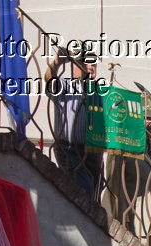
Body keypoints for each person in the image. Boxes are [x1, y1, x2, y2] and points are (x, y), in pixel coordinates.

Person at [104, 83, 151, 246]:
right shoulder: (124, 144)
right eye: (148, 117)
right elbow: (114, 182)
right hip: (134, 218)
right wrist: (120, 215)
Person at [43, 50, 103, 199]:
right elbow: (48, 79)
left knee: (93, 195)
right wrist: (57, 62)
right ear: (75, 66)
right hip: (68, 148)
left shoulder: (96, 92)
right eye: (86, 63)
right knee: (82, 190)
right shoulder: (65, 85)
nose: (91, 67)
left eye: (93, 64)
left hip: (91, 151)